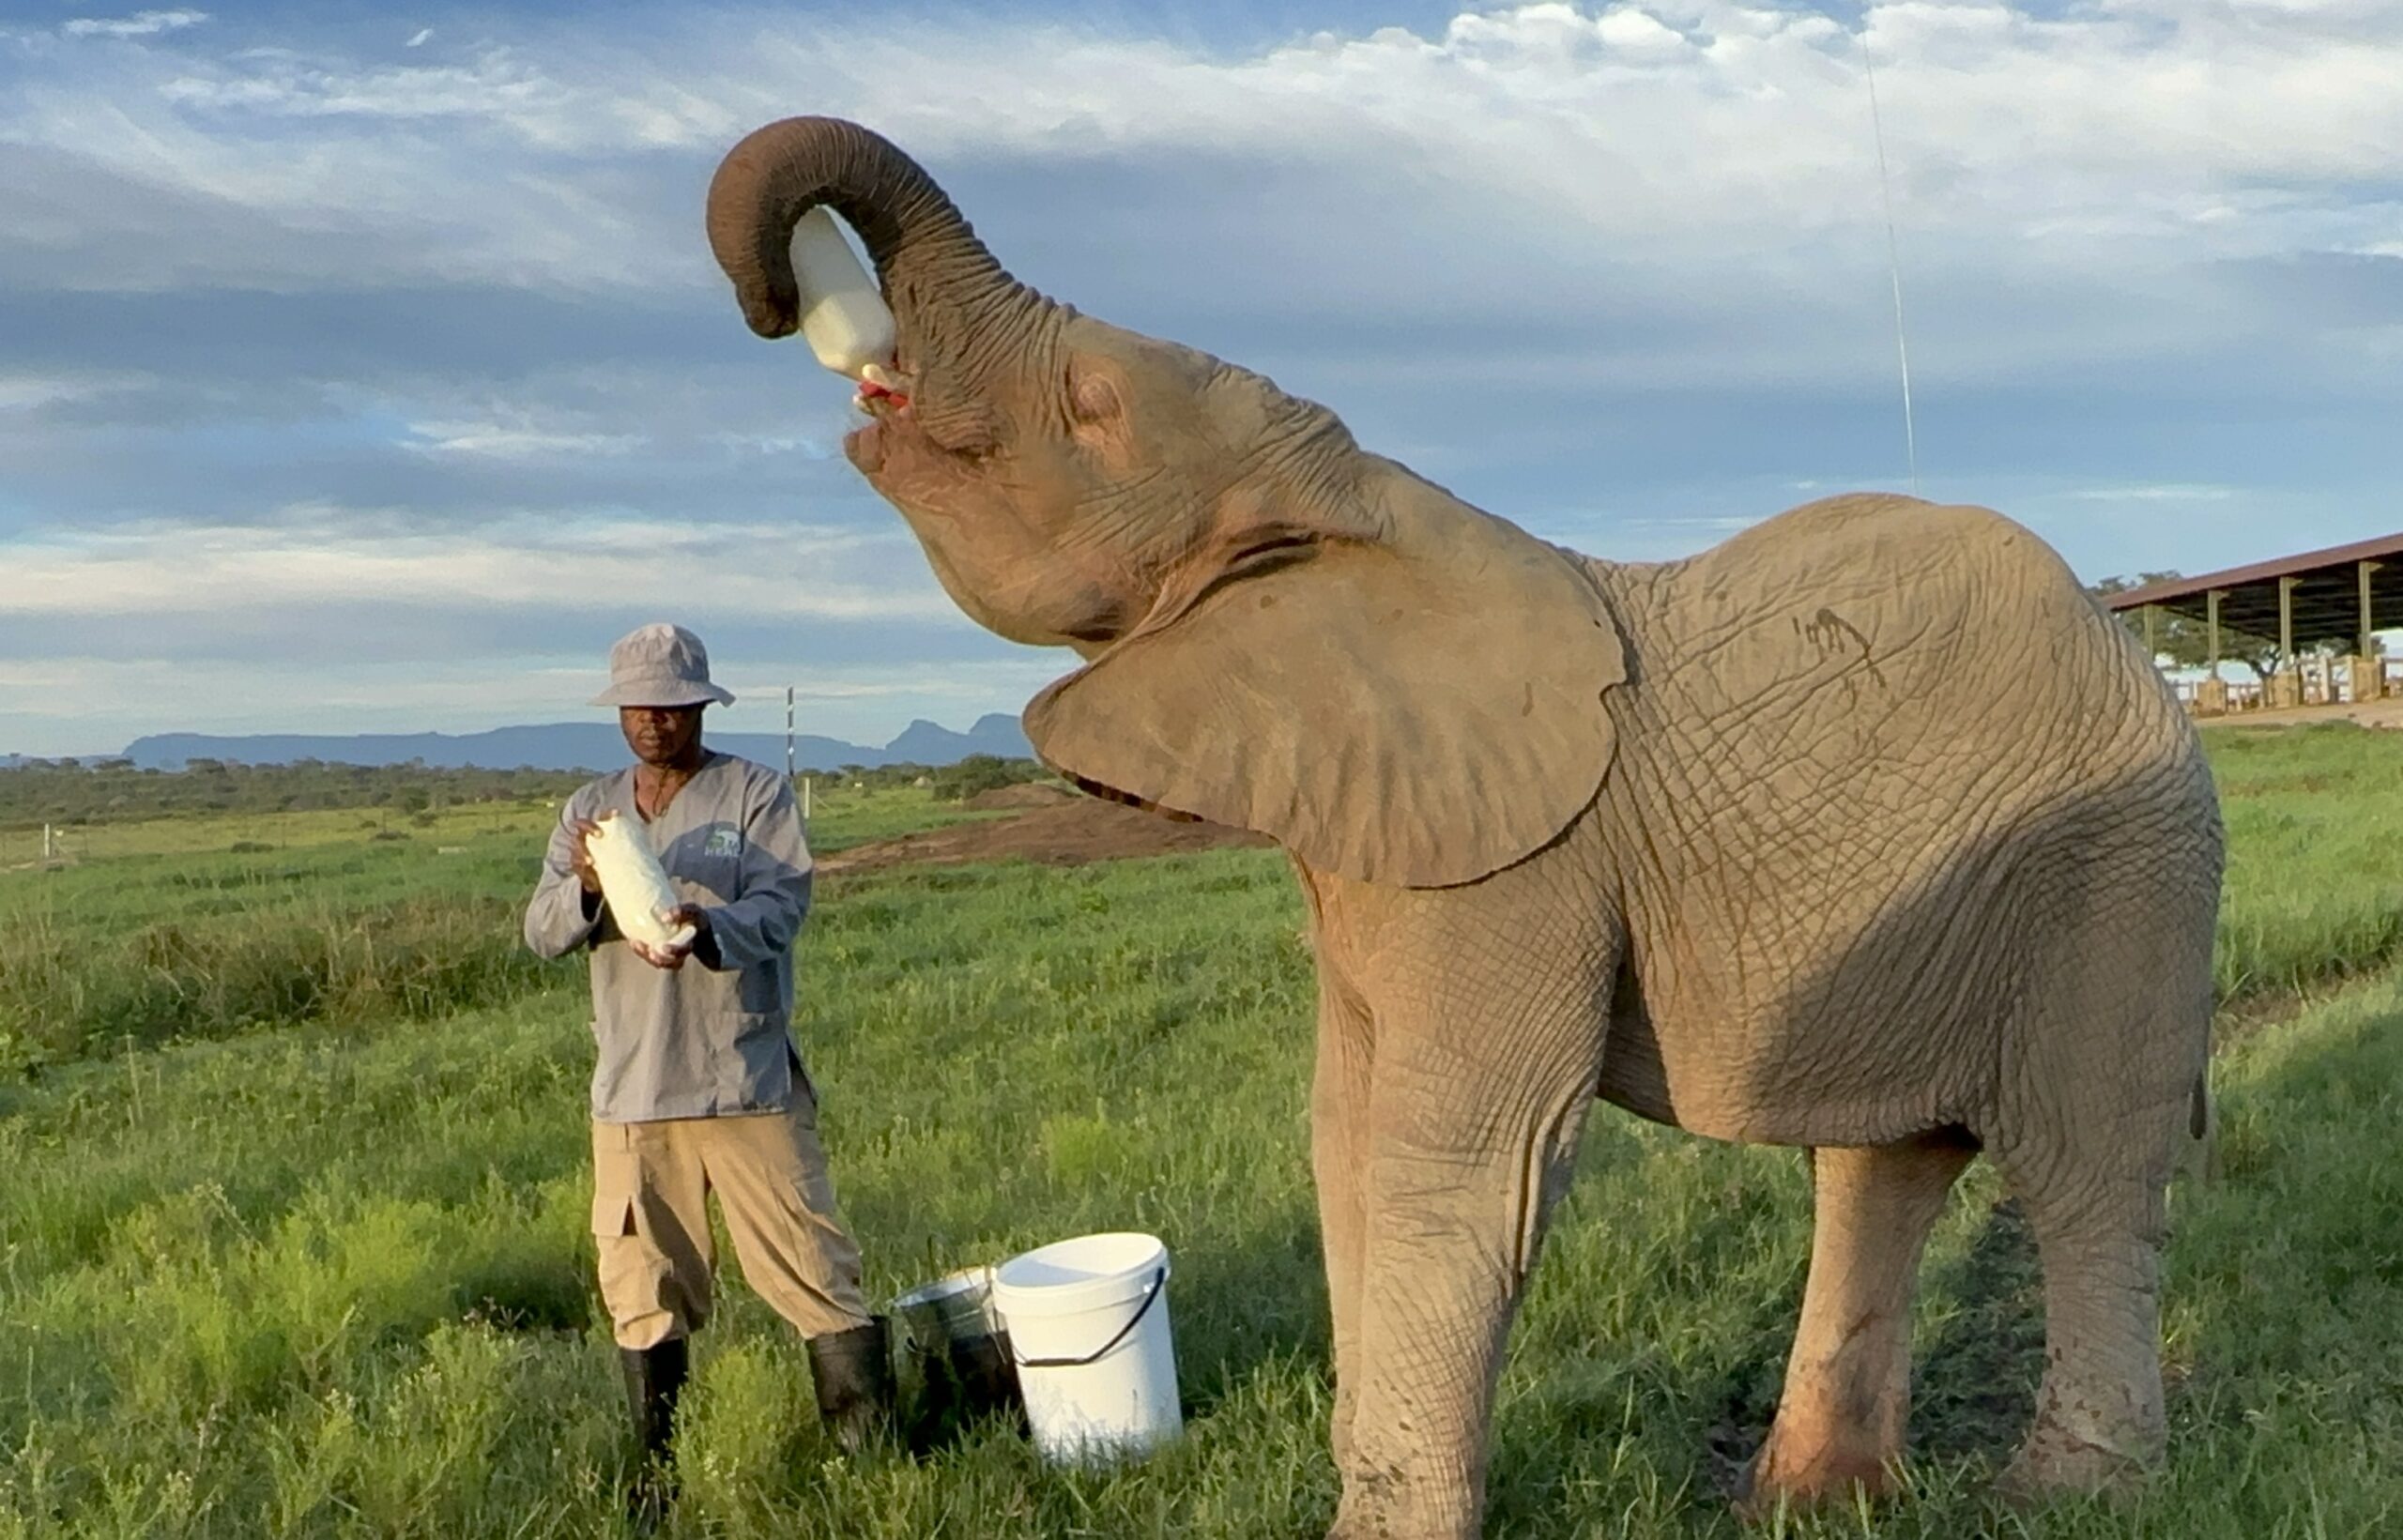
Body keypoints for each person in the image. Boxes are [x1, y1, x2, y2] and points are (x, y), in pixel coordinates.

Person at [523, 621, 891, 1516]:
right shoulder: (589, 812)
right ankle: (660, 1479)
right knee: (642, 1286)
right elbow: (539, 931)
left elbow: (783, 906)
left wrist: (705, 928)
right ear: (620, 712)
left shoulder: (754, 794)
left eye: (672, 706)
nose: (655, 722)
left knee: (812, 1264)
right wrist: (586, 887)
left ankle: (867, 1464)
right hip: (635, 1093)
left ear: (700, 705)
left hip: (743, 1077)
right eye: (638, 707)